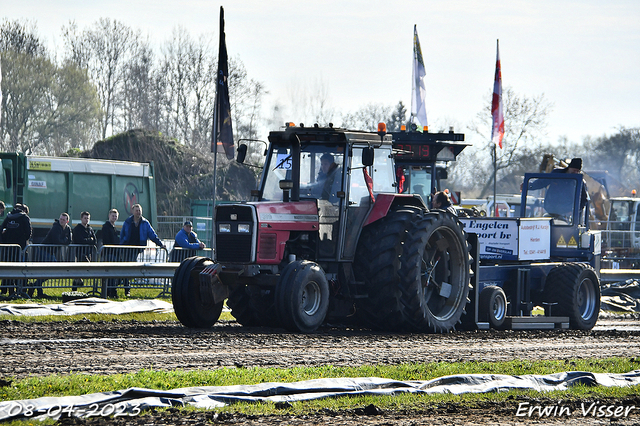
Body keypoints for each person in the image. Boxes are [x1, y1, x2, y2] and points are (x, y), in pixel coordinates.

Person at [120, 204, 165, 296]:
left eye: (139, 210)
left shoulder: (145, 223)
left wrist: (160, 244)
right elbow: (122, 234)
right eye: (136, 210)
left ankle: (124, 284)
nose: (138, 212)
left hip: (137, 248)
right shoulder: (128, 222)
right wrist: (121, 245)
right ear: (132, 211)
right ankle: (126, 287)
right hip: (127, 247)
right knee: (126, 266)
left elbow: (152, 235)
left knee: (131, 267)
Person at [30, 213, 71, 298]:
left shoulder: (68, 228)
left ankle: (36, 288)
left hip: (51, 252)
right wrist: (64, 239)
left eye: (63, 220)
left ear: (67, 221)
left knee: (46, 271)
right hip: (44, 250)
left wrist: (63, 240)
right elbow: (57, 241)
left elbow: (69, 241)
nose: (61, 221)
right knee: (52, 269)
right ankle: (35, 287)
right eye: (60, 219)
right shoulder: (56, 227)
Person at [1, 203, 31, 296]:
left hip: (8, 247)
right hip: (20, 247)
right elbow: (28, 233)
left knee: (9, 268)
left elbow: (2, 229)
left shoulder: (9, 217)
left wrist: (6, 239)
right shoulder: (24, 218)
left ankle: (10, 290)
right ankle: (19, 290)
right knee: (19, 268)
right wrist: (22, 240)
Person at [71, 211, 97, 291]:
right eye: (85, 218)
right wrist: (89, 240)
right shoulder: (77, 228)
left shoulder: (90, 228)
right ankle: (76, 284)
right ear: (81, 218)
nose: (86, 220)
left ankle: (78, 281)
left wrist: (88, 240)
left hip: (88, 252)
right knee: (82, 268)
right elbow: (80, 240)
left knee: (82, 269)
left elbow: (95, 241)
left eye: (88, 218)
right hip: (80, 252)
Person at [101, 209, 121, 297]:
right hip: (109, 252)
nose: (114, 217)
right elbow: (108, 240)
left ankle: (112, 290)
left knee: (114, 273)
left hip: (114, 253)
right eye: (113, 216)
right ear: (109, 216)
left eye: (115, 216)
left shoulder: (114, 227)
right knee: (110, 273)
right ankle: (109, 290)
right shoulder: (106, 227)